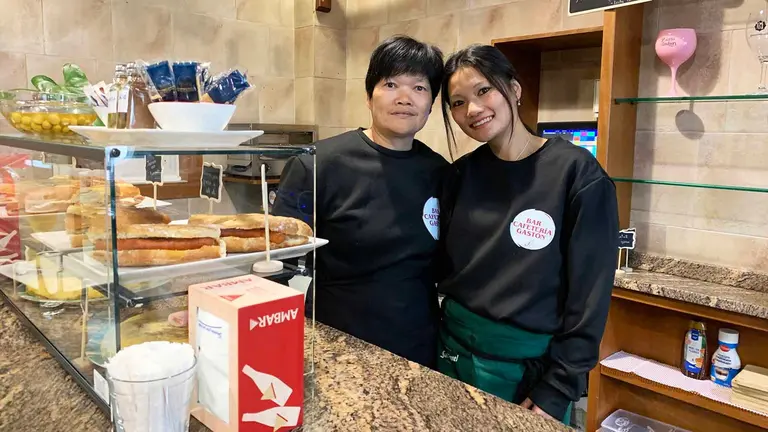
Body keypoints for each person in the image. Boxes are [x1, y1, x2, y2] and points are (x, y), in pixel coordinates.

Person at [435, 44, 619, 424]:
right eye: (457, 102)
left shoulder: (577, 176)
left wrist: (559, 386)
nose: (472, 110)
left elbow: (590, 297)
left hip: (526, 372)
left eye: (484, 90)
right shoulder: (459, 175)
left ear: (514, 90)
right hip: (450, 352)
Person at [272, 36, 447, 368]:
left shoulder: (441, 173)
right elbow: (280, 264)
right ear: (369, 96)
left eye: (420, 88)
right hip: (335, 343)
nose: (405, 98)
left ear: (431, 102)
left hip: (419, 347)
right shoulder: (315, 165)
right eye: (391, 84)